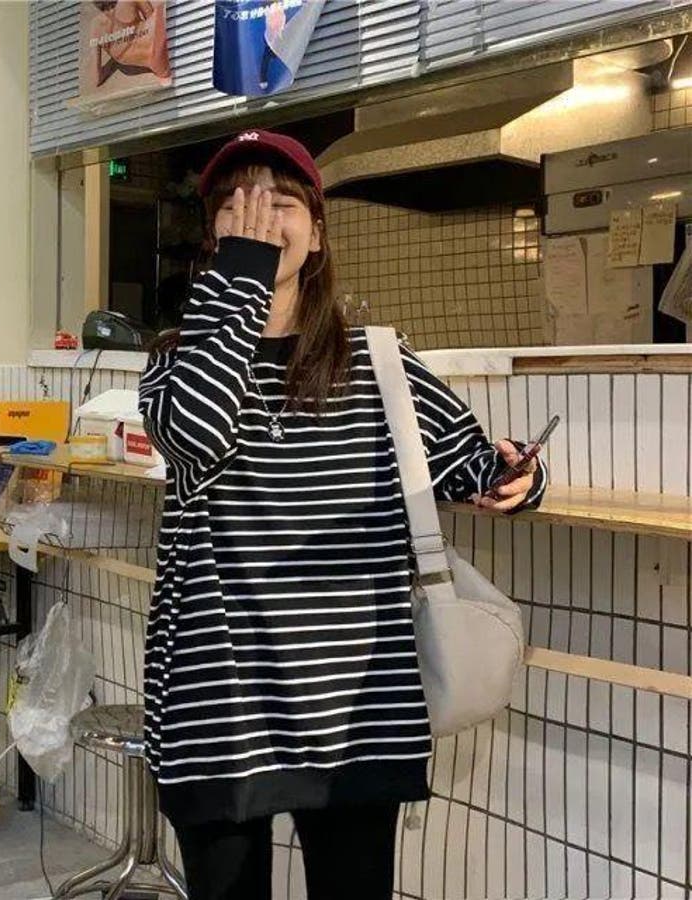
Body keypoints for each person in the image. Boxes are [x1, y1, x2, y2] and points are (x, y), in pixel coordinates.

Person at [138, 130, 547, 900]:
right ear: (214, 236)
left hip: (357, 704)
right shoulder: (175, 362)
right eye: (236, 203)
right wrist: (242, 279)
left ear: (318, 235)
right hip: (220, 704)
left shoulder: (378, 363)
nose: (258, 216)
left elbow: (470, 462)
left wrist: (519, 474)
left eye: (280, 203)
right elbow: (195, 433)